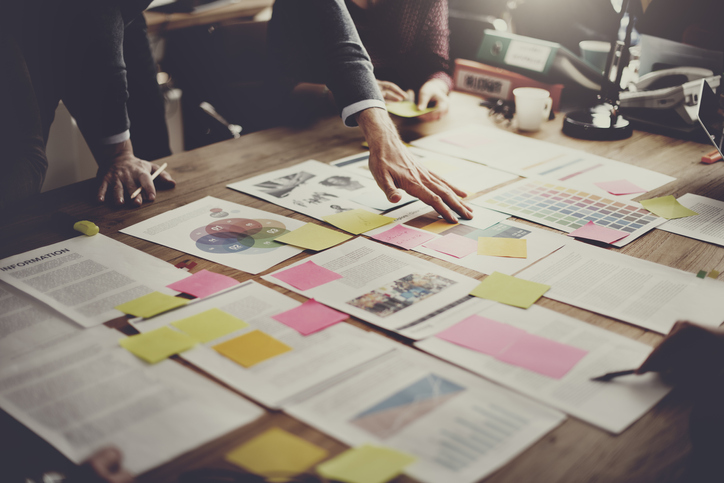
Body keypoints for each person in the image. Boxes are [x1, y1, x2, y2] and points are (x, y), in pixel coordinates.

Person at [268, 0, 472, 223]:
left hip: (399, 129)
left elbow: (436, 64)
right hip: (305, 136)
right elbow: (342, 55)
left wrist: (437, 85)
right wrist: (363, 96)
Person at [1, 0, 174, 210]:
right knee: (23, 162)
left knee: (152, 156)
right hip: (23, 26)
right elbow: (95, 16)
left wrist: (120, 153)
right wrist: (119, 153)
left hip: (112, 15)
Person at [345, 0, 454, 121]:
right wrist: (351, 91)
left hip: (402, 120)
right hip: (334, 119)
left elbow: (439, 67)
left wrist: (437, 85)